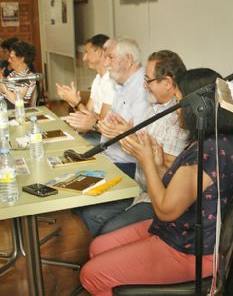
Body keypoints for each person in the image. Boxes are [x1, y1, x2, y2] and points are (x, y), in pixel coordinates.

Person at [79, 68, 233, 294]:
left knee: (91, 274)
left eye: (179, 102)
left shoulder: (208, 153)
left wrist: (146, 161)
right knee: (99, 246)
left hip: (191, 250)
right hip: (180, 232)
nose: (176, 112)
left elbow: (166, 210)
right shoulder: (215, 140)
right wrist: (156, 163)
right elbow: (184, 187)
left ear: (199, 109)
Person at [76, 50, 190, 236]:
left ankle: (109, 257)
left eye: (148, 80)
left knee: (101, 222)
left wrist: (126, 136)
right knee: (86, 207)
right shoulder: (154, 108)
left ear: (168, 83)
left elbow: (173, 164)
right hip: (139, 187)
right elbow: (147, 143)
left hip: (156, 197)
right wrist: (127, 132)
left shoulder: (180, 115)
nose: (145, 86)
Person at [96, 37, 149, 179]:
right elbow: (110, 125)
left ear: (129, 59)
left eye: (110, 57)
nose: (105, 63)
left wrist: (95, 124)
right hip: (109, 157)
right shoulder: (122, 83)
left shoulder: (143, 87)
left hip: (128, 165)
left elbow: (138, 137)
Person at [57, 34, 116, 145]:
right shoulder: (97, 80)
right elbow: (86, 117)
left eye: (86, 53)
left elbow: (101, 123)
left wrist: (77, 102)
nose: (84, 58)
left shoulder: (111, 82)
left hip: (106, 139)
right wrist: (75, 103)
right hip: (94, 133)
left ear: (99, 53)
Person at [0, 40, 38, 106]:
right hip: (7, 109)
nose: (9, 60)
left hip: (19, 111)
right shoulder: (13, 74)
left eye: (11, 57)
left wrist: (4, 88)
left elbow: (17, 100)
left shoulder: (28, 77)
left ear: (21, 59)